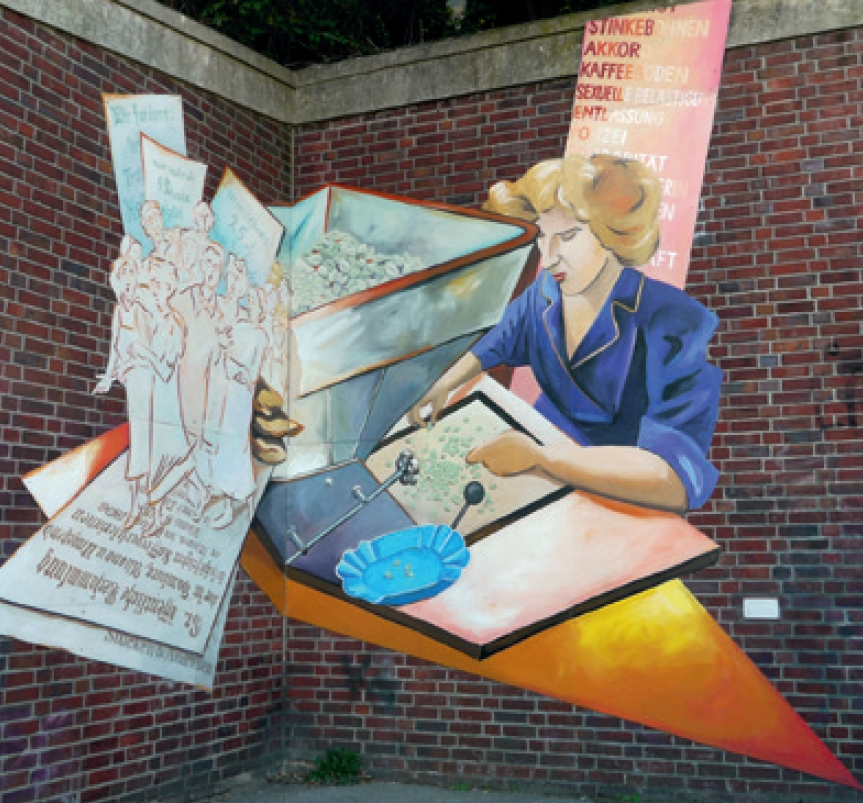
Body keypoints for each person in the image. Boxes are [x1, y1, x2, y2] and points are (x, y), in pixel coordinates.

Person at [409, 154, 721, 513]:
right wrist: (445, 381)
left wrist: (540, 458)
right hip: (538, 470)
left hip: (618, 493)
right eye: (542, 237)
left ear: (611, 233)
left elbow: (675, 482)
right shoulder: (544, 294)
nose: (550, 256)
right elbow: (497, 341)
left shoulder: (675, 321)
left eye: (568, 236)